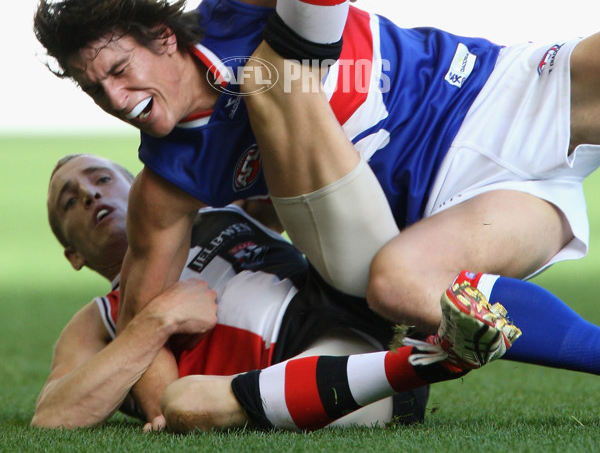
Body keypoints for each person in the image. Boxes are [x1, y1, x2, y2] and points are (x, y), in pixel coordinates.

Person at [33, 0, 600, 419]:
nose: (116, 99)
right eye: (97, 91)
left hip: (492, 89)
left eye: (120, 71)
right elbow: (145, 331)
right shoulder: (168, 184)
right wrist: (166, 400)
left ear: (163, 37)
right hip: (447, 214)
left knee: (278, 44)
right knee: (387, 262)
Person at [32, 152, 435, 430]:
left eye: (102, 179)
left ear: (137, 188)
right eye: (70, 202)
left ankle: (430, 280)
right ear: (73, 254)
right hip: (300, 379)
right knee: (186, 403)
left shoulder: (221, 211)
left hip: (346, 305)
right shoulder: (99, 318)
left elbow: (294, 172)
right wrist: (157, 319)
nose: (90, 194)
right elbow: (53, 415)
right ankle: (420, 361)